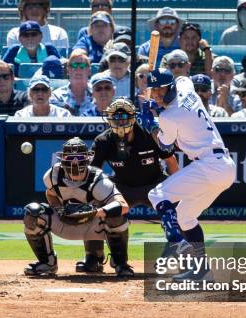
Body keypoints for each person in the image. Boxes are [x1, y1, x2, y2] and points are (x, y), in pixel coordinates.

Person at [142, 68, 236, 282]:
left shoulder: (169, 116)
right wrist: (158, 102)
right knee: (185, 216)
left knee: (157, 195)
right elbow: (183, 78)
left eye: (160, 89)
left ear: (170, 87)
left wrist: (151, 124)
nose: (157, 94)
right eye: (153, 90)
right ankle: (202, 272)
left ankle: (176, 242)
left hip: (210, 164)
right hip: (224, 166)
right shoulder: (184, 86)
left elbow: (165, 146)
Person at [77, 98, 179, 273]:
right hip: (122, 187)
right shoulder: (103, 141)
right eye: (115, 118)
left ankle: (174, 255)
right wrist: (89, 198)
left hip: (155, 184)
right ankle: (95, 256)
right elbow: (93, 174)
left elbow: (171, 162)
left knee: (180, 208)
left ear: (133, 117)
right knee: (94, 205)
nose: (120, 121)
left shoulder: (150, 134)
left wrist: (178, 189)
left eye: (124, 117)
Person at [23, 137, 134, 277]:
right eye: (70, 158)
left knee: (116, 216)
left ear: (87, 159)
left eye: (79, 157)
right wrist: (58, 209)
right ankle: (47, 263)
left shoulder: (98, 179)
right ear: (62, 159)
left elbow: (123, 205)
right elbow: (50, 193)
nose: (75, 162)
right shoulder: (53, 175)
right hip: (65, 223)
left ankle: (120, 263)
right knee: (32, 212)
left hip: (94, 226)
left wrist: (95, 213)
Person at [50, 49, 93, 115]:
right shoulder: (57, 96)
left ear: (89, 71)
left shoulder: (99, 94)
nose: (78, 69)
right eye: (74, 65)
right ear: (68, 70)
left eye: (82, 65)